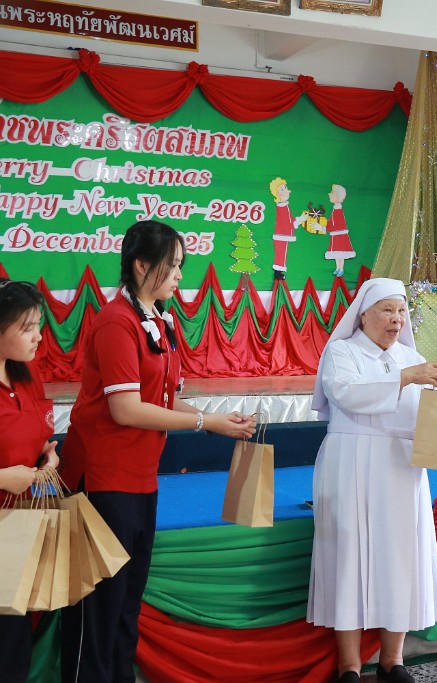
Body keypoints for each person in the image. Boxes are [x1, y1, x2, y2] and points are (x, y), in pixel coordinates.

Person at [60, 221, 256, 683]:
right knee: (99, 606)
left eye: (182, 266)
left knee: (127, 602)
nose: (180, 276)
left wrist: (217, 422)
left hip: (140, 478)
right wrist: (205, 423)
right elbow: (127, 409)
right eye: (173, 266)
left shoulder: (158, 319)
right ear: (141, 265)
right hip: (103, 479)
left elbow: (165, 399)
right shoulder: (116, 322)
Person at [308, 277, 437, 683]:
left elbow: (426, 413)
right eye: (387, 310)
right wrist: (406, 377)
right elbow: (346, 392)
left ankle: (392, 659)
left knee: (400, 556)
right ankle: (349, 665)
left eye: (402, 310)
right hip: (350, 462)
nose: (396, 319)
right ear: (364, 314)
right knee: (347, 555)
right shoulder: (342, 351)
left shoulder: (411, 356)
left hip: (401, 465)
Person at [0, 279, 59, 683]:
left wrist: (47, 457)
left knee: (13, 641)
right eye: (27, 327)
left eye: (39, 325)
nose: (38, 336)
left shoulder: (26, 375)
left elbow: (35, 435)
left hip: (17, 531)